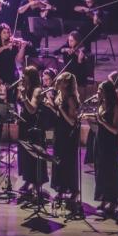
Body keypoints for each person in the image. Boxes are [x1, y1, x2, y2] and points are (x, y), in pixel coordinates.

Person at [47, 72, 81, 204]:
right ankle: (61, 189)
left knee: (68, 163)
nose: (56, 82)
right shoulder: (60, 94)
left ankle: (74, 191)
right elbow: (58, 113)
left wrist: (60, 109)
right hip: (60, 132)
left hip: (68, 134)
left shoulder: (71, 98)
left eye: (59, 81)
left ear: (66, 84)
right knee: (59, 161)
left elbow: (72, 122)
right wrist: (51, 105)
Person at [92, 78, 118, 217]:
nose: (97, 92)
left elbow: (115, 130)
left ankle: (113, 201)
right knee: (100, 171)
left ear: (106, 92)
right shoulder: (101, 103)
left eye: (100, 89)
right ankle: (104, 198)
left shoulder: (117, 107)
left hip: (110, 143)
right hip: (100, 140)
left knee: (111, 172)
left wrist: (102, 121)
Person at [16, 65, 48, 194]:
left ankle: (36, 184)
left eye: (25, 75)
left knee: (34, 155)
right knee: (24, 154)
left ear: (31, 77)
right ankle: (28, 180)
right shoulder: (26, 88)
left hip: (34, 127)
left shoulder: (37, 91)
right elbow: (22, 106)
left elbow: (32, 110)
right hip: (24, 124)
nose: (22, 77)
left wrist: (24, 96)